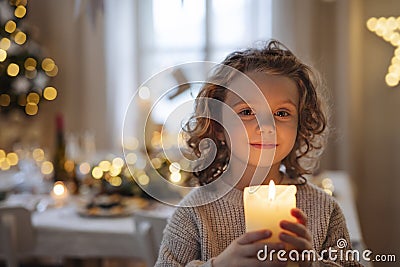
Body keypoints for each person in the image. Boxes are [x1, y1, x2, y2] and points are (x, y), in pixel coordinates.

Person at [155, 40, 362, 267]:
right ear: (218, 127)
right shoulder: (195, 212)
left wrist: (312, 264)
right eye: (246, 111)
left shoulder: (324, 209)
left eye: (282, 113)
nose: (266, 125)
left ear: (300, 125)